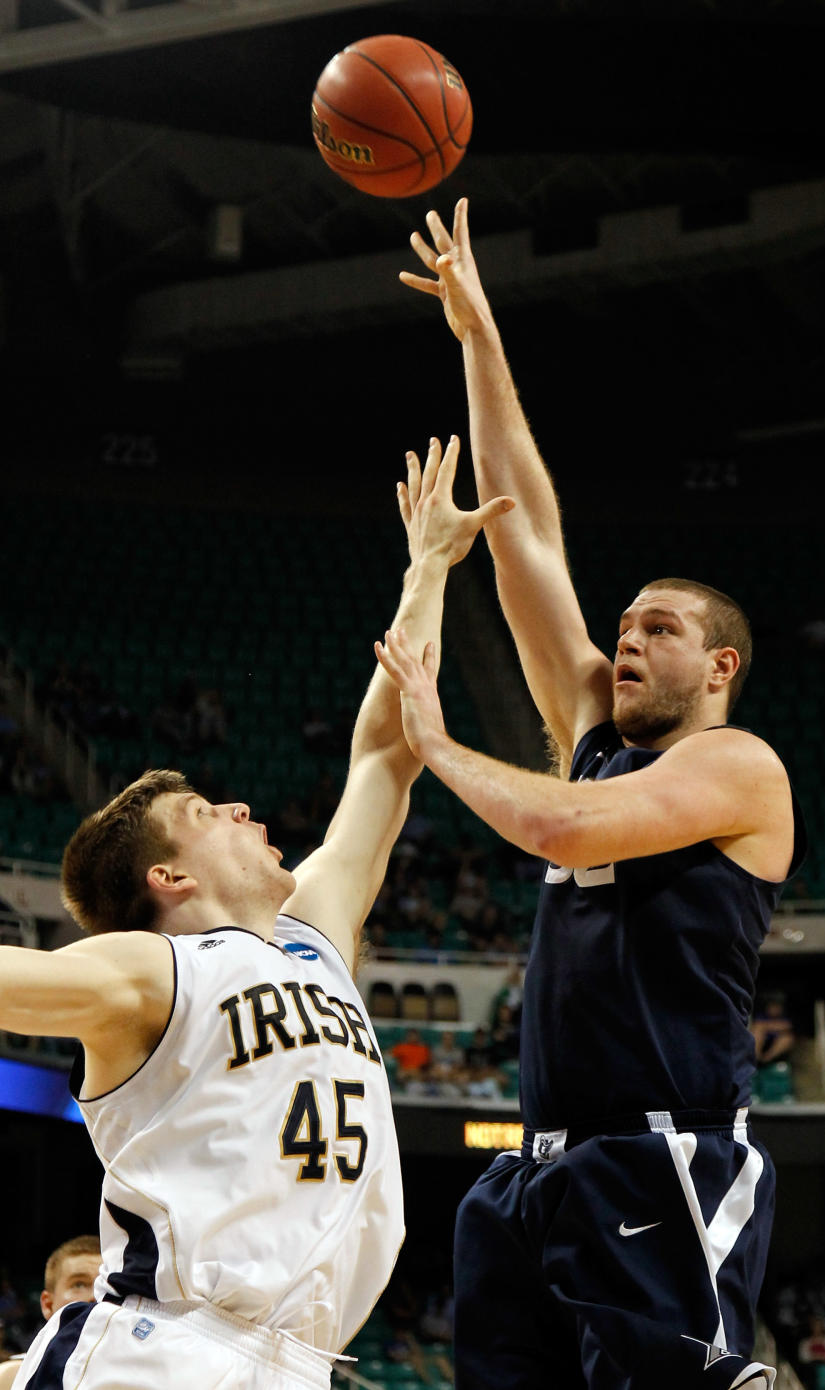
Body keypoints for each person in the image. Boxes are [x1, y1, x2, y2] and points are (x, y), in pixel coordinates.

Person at [389, 198, 806, 1390]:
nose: (625, 639)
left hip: (660, 1159)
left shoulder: (739, 768)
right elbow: (527, 537)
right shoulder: (594, 738)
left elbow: (561, 828)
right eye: (621, 625)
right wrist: (478, 337)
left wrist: (437, 739)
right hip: (531, 1168)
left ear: (720, 664)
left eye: (658, 628)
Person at [0, 438, 511, 1390]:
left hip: (298, 1362)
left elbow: (384, 757)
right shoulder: (151, 972)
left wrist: (429, 567)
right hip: (163, 1351)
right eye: (205, 813)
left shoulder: (311, 939)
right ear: (169, 880)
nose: (239, 808)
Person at [0, 1237, 101, 1390]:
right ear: (48, 1304)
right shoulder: (11, 1377)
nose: (95, 1296)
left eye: (105, 1286)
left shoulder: (144, 1373)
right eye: (79, 1284)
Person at [749, 995, 796, 1067]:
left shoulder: (784, 1017)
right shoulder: (762, 1016)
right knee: (757, 1031)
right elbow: (758, 1025)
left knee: (787, 1038)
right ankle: (756, 1058)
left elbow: (787, 1026)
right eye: (772, 1006)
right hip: (762, 1044)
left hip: (775, 1047)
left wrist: (767, 1026)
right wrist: (773, 1026)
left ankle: (765, 1060)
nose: (774, 1009)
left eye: (777, 1006)